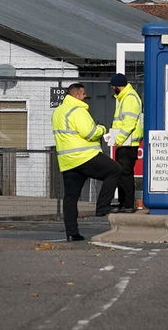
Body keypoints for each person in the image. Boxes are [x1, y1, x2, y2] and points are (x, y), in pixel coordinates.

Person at [52, 83, 121, 241]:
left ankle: (72, 233)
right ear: (77, 95)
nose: (85, 97)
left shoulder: (58, 111)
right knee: (114, 170)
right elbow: (89, 133)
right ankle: (103, 207)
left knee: (70, 197)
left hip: (67, 160)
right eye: (83, 94)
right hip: (85, 156)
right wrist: (102, 129)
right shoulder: (78, 110)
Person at [107, 73, 143, 213]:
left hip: (127, 144)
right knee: (122, 174)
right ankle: (123, 203)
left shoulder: (129, 98)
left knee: (125, 175)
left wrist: (118, 139)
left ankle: (127, 205)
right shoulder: (126, 97)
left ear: (117, 86)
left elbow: (129, 123)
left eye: (113, 87)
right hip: (124, 143)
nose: (112, 89)